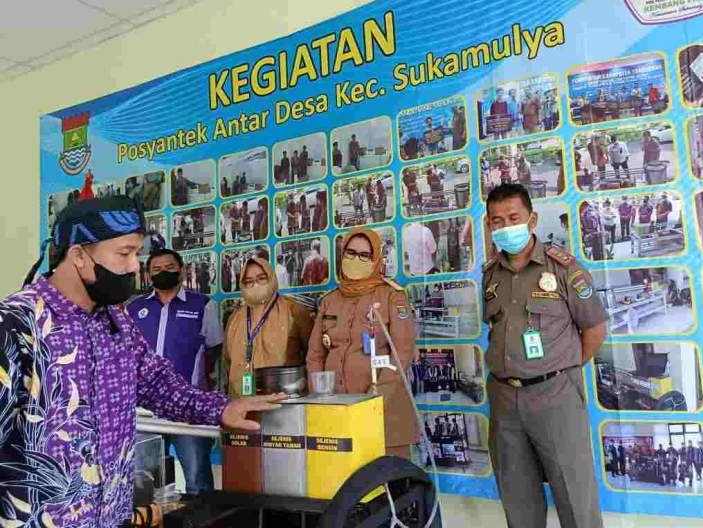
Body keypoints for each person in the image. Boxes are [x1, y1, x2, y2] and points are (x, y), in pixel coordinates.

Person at [1, 196, 282, 527]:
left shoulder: (116, 321)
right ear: (78, 255)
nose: (136, 266)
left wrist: (219, 409)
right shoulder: (17, 325)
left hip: (112, 518)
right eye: (125, 253)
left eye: (137, 253)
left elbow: (156, 383)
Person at [482, 183, 607, 528]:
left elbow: (594, 330)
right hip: (505, 398)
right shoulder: (490, 275)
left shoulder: (564, 269)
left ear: (532, 219)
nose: (505, 227)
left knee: (575, 497)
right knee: (518, 500)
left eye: (513, 218)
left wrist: (559, 368)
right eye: (497, 221)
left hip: (555, 396)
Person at [306, 228, 419, 458]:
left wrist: (372, 403)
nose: (355, 259)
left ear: (376, 258)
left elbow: (402, 353)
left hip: (383, 415)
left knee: (388, 485)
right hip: (336, 414)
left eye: (364, 255)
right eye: (350, 253)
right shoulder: (330, 300)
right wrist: (321, 396)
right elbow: (315, 355)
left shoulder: (392, 296)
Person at [128, 249, 223, 496]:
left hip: (188, 409)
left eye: (169, 267)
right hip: (144, 410)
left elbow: (213, 350)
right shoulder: (134, 309)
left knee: (197, 480)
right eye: (156, 269)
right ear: (148, 275)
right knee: (145, 482)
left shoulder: (203, 304)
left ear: (181, 270)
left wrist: (198, 387)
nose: (163, 272)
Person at [224, 256, 315, 396]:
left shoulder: (294, 311)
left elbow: (313, 357)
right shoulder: (234, 319)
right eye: (249, 281)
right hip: (241, 405)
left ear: (271, 278)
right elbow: (227, 362)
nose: (255, 284)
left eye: (261, 278)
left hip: (284, 403)